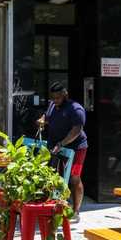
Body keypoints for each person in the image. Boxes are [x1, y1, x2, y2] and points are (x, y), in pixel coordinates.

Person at [37, 82, 88, 221]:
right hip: (57, 146)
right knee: (55, 176)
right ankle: (55, 207)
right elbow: (47, 117)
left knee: (74, 177)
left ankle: (76, 212)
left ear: (65, 95)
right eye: (53, 98)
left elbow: (77, 130)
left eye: (58, 98)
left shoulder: (76, 109)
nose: (55, 101)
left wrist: (62, 143)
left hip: (76, 148)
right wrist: (42, 120)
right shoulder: (53, 105)